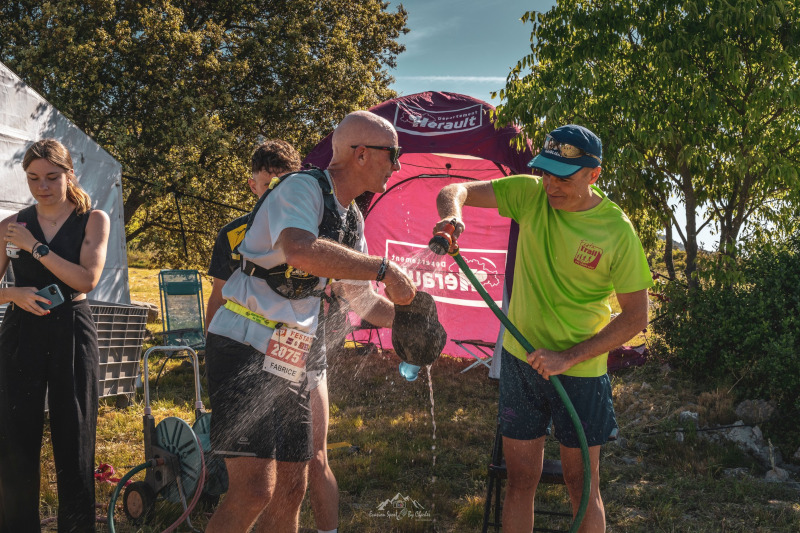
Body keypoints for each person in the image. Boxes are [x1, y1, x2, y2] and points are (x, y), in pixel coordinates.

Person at [204, 110, 416, 533]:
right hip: (244, 344)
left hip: (292, 352)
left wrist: (410, 321)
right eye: (393, 154)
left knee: (292, 488)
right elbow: (299, 250)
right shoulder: (303, 187)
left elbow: (359, 299)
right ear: (360, 154)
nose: (397, 165)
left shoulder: (352, 217)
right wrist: (384, 269)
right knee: (253, 492)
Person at [434, 124, 652, 533]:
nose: (551, 185)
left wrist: (567, 357)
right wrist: (452, 217)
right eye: (546, 172)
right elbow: (456, 190)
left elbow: (637, 317)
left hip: (582, 373)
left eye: (563, 177)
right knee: (520, 481)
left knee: (582, 485)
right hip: (521, 365)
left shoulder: (616, 230)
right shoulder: (530, 193)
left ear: (594, 174)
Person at [204, 139, 341, 533]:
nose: (275, 194)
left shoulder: (318, 232)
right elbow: (219, 298)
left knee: (310, 461)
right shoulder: (234, 235)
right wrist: (212, 355)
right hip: (245, 346)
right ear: (253, 186)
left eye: (284, 185)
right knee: (255, 486)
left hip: (302, 350)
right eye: (268, 186)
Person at [0, 139, 110, 532]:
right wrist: (12, 293)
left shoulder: (93, 218)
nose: (41, 186)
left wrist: (35, 248)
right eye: (32, 178)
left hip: (72, 330)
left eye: (51, 177)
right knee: (15, 438)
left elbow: (87, 279)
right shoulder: (10, 225)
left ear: (69, 174)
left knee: (75, 435)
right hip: (20, 333)